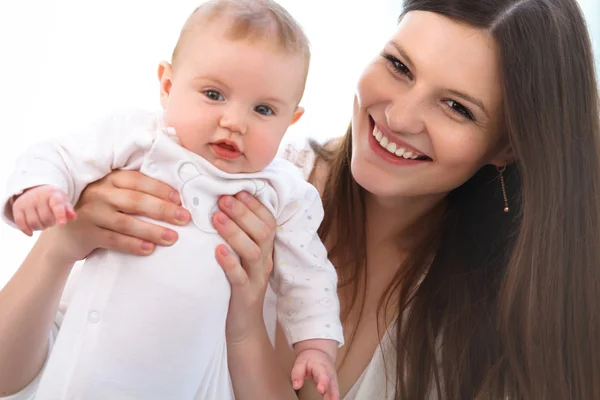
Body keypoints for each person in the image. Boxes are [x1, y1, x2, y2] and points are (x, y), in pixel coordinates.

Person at [2, 0, 600, 399]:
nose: (398, 114)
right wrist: (60, 244)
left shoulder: (504, 323)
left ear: (507, 147)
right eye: (398, 66)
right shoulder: (229, 176)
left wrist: (248, 322)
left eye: (456, 107)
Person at [1, 1, 343, 399]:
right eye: (214, 94)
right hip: (87, 352)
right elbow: (59, 155)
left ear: (291, 121)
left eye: (263, 109)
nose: (235, 121)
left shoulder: (282, 192)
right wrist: (39, 190)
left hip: (197, 376)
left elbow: (310, 275)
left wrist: (316, 346)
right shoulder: (139, 139)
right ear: (167, 86)